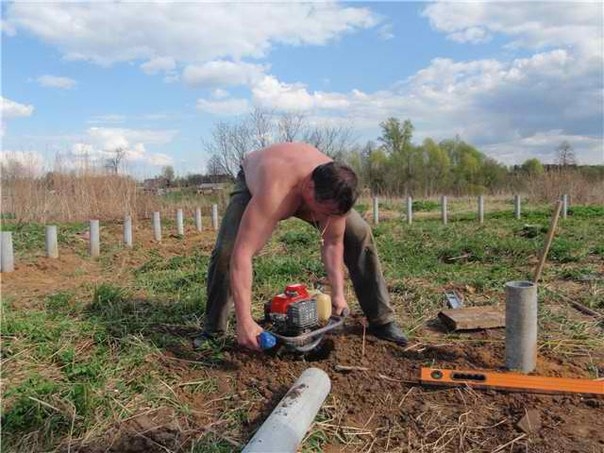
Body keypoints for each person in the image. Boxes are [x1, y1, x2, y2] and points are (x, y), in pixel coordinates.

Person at [199, 142, 407, 351]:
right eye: (324, 213)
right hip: (258, 178)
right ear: (309, 189)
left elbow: (333, 242)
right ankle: (213, 329)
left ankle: (382, 319)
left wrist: (338, 293)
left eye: (333, 214)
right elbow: (242, 254)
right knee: (228, 249)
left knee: (360, 232)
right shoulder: (274, 191)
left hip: (313, 186)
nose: (327, 220)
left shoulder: (336, 189)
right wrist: (244, 321)